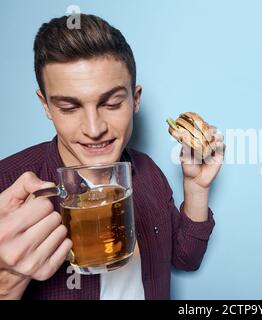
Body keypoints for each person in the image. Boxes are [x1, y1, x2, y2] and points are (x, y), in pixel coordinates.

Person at [0, 14, 224, 300]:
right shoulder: (6, 189)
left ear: (135, 100)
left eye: (112, 103)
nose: (94, 129)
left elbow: (185, 259)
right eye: (69, 107)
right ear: (46, 106)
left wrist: (197, 188)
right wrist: (5, 283)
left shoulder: (148, 172)